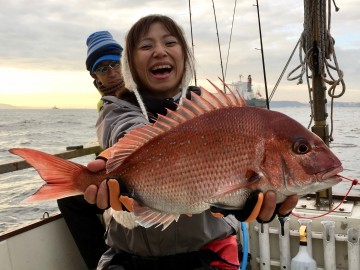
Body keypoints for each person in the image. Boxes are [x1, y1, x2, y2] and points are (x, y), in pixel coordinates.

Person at [84, 15, 298, 270]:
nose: (159, 51)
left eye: (170, 42)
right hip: (133, 259)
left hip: (210, 256)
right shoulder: (116, 109)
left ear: (185, 56)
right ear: (129, 63)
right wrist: (116, 158)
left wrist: (237, 201)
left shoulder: (211, 111)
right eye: (146, 46)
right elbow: (125, 133)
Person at [57, 30, 125, 270]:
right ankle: (102, 262)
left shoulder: (141, 93)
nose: (113, 73)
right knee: (69, 198)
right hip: (122, 172)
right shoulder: (104, 104)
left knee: (73, 200)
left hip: (138, 174)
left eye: (116, 64)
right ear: (96, 77)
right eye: (103, 69)